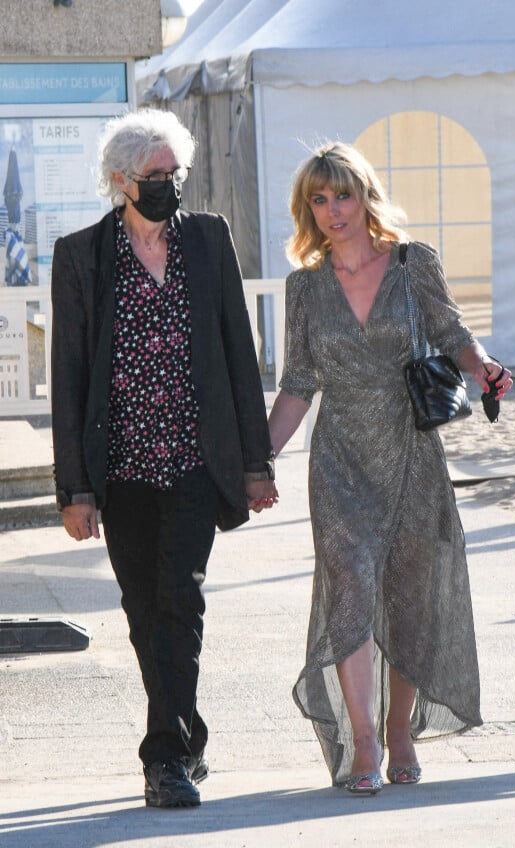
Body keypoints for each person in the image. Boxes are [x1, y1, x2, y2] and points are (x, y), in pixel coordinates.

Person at [268, 141, 512, 793]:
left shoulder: (413, 264)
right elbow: (297, 383)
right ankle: (365, 744)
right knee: (349, 596)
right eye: (318, 199)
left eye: (342, 195)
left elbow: (454, 333)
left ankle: (401, 729)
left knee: (408, 603)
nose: (331, 210)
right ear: (306, 208)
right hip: (340, 461)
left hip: (412, 455)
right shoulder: (306, 287)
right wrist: (258, 461)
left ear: (365, 196)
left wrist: (482, 367)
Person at [51, 109, 277, 809]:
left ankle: (165, 761)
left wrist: (255, 461)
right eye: (155, 176)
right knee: (143, 608)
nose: (169, 186)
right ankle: (188, 728)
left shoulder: (207, 240)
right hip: (119, 467)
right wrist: (74, 488)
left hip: (191, 461)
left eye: (175, 173)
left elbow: (240, 353)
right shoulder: (82, 255)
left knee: (181, 598)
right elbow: (70, 374)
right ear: (120, 181)